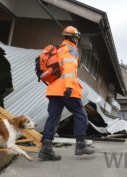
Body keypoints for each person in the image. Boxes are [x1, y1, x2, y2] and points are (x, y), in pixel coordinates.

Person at [38, 26, 95, 161]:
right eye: (77, 38)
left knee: (53, 117)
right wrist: (69, 87)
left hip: (53, 90)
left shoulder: (58, 49)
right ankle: (81, 145)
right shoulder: (71, 50)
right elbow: (69, 68)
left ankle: (46, 149)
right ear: (74, 38)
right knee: (80, 114)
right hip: (66, 89)